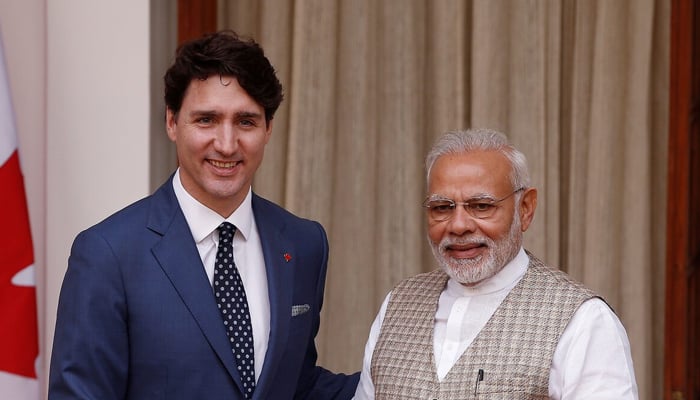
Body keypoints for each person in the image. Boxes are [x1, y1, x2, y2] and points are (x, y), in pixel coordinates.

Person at [49, 30, 359, 400]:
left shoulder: (304, 243)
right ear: (171, 122)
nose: (227, 144)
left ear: (268, 129)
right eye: (206, 120)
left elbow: (296, 384)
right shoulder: (107, 254)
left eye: (245, 121)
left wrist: (405, 375)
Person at [353, 128, 638, 399]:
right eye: (442, 208)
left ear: (525, 209)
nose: (459, 225)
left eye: (481, 206)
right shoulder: (398, 305)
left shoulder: (583, 321)